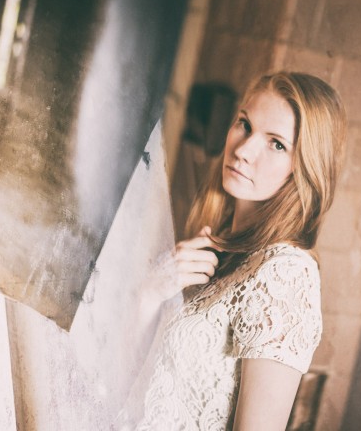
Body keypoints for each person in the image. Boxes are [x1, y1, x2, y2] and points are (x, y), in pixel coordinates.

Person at [136, 71, 346, 430]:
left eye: (276, 144)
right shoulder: (218, 249)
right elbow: (135, 380)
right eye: (244, 125)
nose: (243, 150)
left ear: (305, 169)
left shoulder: (286, 273)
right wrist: (149, 293)